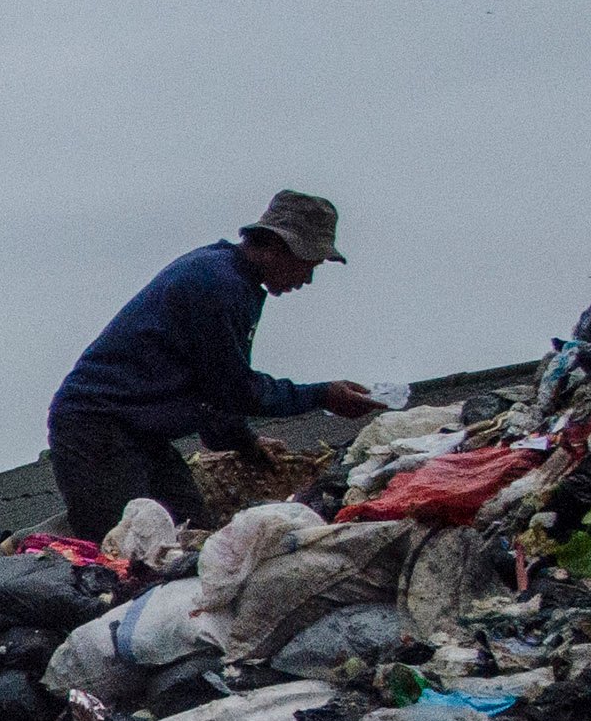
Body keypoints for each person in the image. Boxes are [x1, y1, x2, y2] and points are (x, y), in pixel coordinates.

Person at [46, 191, 383, 541]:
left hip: (138, 432)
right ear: (281, 247)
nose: (308, 279)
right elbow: (235, 390)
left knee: (193, 532)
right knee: (129, 551)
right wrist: (323, 395)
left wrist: (244, 441)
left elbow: (211, 389)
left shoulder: (236, 281)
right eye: (309, 265)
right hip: (97, 428)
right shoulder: (218, 283)